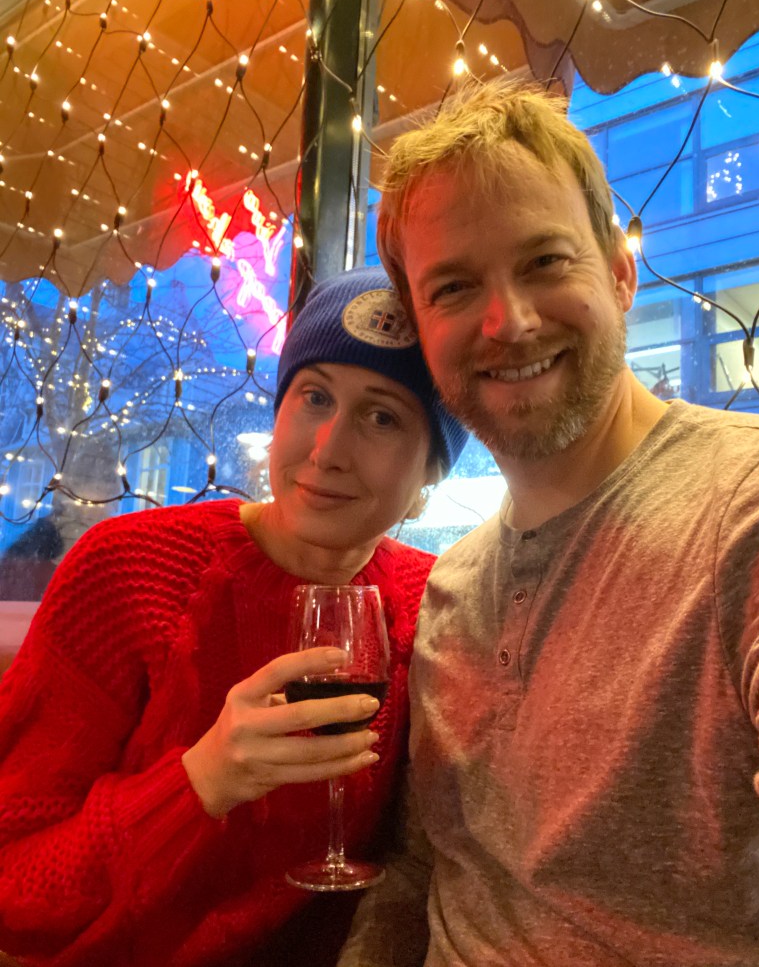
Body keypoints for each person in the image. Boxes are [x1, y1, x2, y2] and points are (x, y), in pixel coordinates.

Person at [338, 80, 759, 966]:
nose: (511, 321)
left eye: (544, 262)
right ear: (421, 329)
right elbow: (424, 868)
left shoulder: (743, 502)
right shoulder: (449, 590)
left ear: (620, 272)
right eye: (455, 287)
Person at [0, 266, 468, 967]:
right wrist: (201, 781)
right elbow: (14, 885)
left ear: (432, 469)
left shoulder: (437, 602)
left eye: (382, 417)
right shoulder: (126, 568)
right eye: (314, 397)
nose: (327, 449)